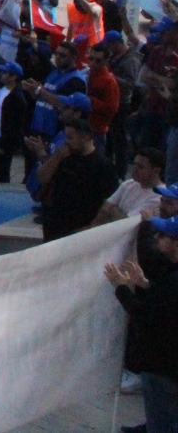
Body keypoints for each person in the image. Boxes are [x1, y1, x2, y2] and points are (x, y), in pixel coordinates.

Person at [104, 216, 178, 433]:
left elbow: (145, 314)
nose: (157, 238)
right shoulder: (170, 276)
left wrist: (120, 288)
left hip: (162, 366)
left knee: (161, 423)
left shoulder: (173, 280)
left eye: (164, 235)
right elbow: (166, 304)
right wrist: (146, 285)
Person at [38, 118, 119, 241]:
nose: (67, 142)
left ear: (85, 137)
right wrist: (57, 157)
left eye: (70, 138)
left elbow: (111, 202)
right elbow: (43, 178)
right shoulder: (64, 157)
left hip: (81, 227)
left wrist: (93, 226)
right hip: (55, 224)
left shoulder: (102, 165)